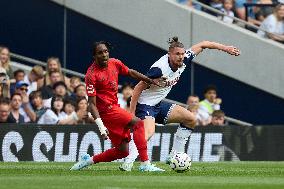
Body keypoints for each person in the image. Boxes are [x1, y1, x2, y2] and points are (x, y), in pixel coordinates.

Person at [119, 36, 240, 171]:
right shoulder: (159, 69)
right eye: (177, 54)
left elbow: (204, 44)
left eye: (182, 54)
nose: (181, 57)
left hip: (157, 104)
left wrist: (226, 48)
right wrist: (131, 113)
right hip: (145, 104)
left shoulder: (184, 60)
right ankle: (128, 162)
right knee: (148, 132)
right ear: (169, 54)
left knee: (190, 119)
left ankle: (174, 155)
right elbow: (137, 88)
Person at [70, 41, 164, 172]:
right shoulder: (91, 75)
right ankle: (145, 164)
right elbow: (91, 104)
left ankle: (88, 160)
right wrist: (101, 127)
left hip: (115, 107)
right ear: (94, 56)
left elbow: (130, 72)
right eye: (100, 53)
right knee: (137, 123)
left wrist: (148, 80)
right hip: (106, 112)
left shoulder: (114, 63)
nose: (104, 55)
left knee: (122, 151)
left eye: (106, 51)